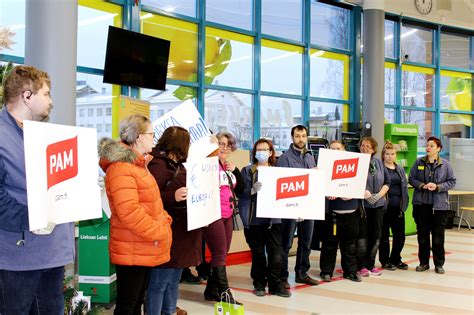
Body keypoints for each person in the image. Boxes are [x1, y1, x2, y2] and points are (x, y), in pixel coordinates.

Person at [0, 65, 75, 314]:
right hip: (17, 255)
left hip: (50, 250)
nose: (51, 102)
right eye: (46, 93)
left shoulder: (47, 136)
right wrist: (32, 216)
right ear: (27, 95)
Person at [98, 114, 172, 315]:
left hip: (141, 244)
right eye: (151, 134)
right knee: (128, 305)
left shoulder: (138, 165)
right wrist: (158, 229)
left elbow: (150, 204)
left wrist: (164, 220)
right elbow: (128, 211)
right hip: (132, 245)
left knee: (137, 301)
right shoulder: (122, 168)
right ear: (139, 137)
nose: (153, 139)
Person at [146, 126, 201, 315]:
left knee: (172, 282)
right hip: (169, 233)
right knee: (160, 283)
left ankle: (169, 311)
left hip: (181, 233)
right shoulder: (159, 165)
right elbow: (149, 198)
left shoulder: (177, 165)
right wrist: (173, 196)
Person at [238, 138, 291, 298]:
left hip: (274, 220)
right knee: (258, 254)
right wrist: (251, 190)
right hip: (254, 220)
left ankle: (275, 284)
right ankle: (259, 284)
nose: (261, 152)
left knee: (276, 253)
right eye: (258, 149)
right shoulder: (247, 171)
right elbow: (240, 193)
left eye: (265, 149)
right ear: (254, 153)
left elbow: (287, 193)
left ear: (271, 153)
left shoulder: (277, 171)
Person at [203, 132, 244, 304]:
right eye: (221, 144)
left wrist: (234, 170)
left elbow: (240, 189)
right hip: (213, 215)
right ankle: (224, 294)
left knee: (222, 253)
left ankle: (211, 290)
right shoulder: (208, 165)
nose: (225, 148)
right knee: (220, 253)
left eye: (228, 145)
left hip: (227, 214)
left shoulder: (226, 166)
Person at [277, 125, 319, 287]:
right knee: (286, 243)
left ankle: (302, 273)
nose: (300, 139)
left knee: (306, 242)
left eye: (303, 136)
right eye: (297, 136)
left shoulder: (310, 156)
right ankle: (282, 277)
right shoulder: (284, 158)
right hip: (290, 206)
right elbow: (282, 183)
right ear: (292, 137)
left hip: (308, 205)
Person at [409, 136, 456, 274]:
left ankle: (439, 264)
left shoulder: (445, 165)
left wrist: (437, 187)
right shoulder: (419, 162)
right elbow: (411, 178)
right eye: (427, 145)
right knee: (422, 236)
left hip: (439, 207)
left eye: (432, 146)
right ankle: (423, 263)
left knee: (438, 237)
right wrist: (422, 185)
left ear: (439, 149)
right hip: (422, 205)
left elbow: (452, 181)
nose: (428, 148)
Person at [319, 140, 362, 283]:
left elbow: (361, 185)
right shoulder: (324, 167)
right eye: (333, 149)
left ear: (344, 149)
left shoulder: (355, 164)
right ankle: (326, 272)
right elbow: (318, 186)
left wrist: (353, 193)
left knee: (349, 245)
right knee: (329, 244)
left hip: (351, 212)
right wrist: (326, 193)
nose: (336, 150)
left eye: (338, 148)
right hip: (333, 214)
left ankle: (350, 272)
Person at [357, 137, 390, 277]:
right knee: (363, 237)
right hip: (363, 206)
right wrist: (362, 193)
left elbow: (387, 182)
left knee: (376, 236)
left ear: (373, 150)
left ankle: (371, 264)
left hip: (378, 205)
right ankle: (361, 266)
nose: (365, 148)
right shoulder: (356, 162)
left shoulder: (378, 163)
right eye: (363, 145)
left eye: (368, 146)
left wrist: (380, 195)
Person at [379, 141, 409, 271]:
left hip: (398, 207)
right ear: (383, 155)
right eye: (387, 154)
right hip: (384, 207)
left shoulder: (400, 169)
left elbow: (404, 187)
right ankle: (385, 261)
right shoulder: (380, 169)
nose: (390, 156)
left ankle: (396, 258)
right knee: (384, 236)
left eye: (392, 154)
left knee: (400, 236)